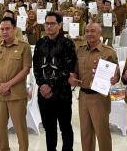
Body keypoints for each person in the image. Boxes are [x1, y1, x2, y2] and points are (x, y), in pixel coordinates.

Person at [69, 22, 119, 151]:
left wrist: (114, 78)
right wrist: (72, 77)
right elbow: (75, 70)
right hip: (83, 96)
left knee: (102, 133)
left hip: (100, 97)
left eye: (93, 31)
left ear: (100, 34)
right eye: (87, 31)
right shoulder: (80, 50)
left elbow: (116, 73)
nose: (89, 34)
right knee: (85, 133)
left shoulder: (108, 52)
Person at [33, 12, 77, 151]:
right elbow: (36, 67)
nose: (49, 26)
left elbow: (68, 68)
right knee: (49, 128)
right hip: (44, 94)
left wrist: (50, 86)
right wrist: (42, 85)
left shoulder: (67, 43)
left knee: (65, 127)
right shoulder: (40, 43)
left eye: (52, 23)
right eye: (47, 23)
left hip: (62, 93)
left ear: (60, 25)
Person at [0, 17, 32, 151]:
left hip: (16, 95)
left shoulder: (24, 47)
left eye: (8, 29)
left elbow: (26, 69)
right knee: (0, 129)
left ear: (14, 29)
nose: (4, 32)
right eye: (2, 29)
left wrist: (8, 85)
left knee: (20, 129)